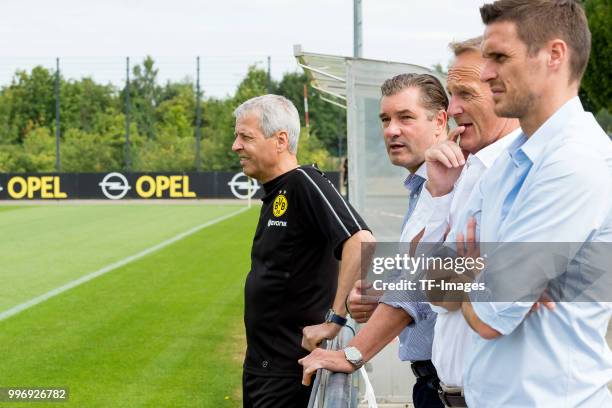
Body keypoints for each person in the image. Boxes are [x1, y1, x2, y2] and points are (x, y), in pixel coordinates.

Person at [447, 1, 612, 406]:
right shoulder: (506, 162)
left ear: (554, 55)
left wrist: (477, 272)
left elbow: (488, 318)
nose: (486, 74)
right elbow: (437, 286)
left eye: (500, 57)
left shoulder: (576, 163)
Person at [300, 73, 450, 408]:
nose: (391, 130)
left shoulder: (449, 185)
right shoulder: (423, 185)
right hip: (433, 381)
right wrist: (382, 294)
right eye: (385, 119)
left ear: (440, 121)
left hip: (447, 383)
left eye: (405, 118)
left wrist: (352, 354)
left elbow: (421, 281)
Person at [232, 94, 375, 408]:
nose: (236, 146)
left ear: (280, 140)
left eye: (246, 137)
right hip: (264, 368)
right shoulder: (278, 192)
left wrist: (334, 319)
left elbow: (361, 240)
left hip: (289, 373)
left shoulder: (303, 182)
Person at [418, 36, 521, 408]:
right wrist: (440, 191)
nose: (453, 108)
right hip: (452, 395)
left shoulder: (521, 174)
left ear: (504, 88)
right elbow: (425, 283)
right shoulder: (466, 168)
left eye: (465, 93)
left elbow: (495, 301)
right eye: (450, 93)